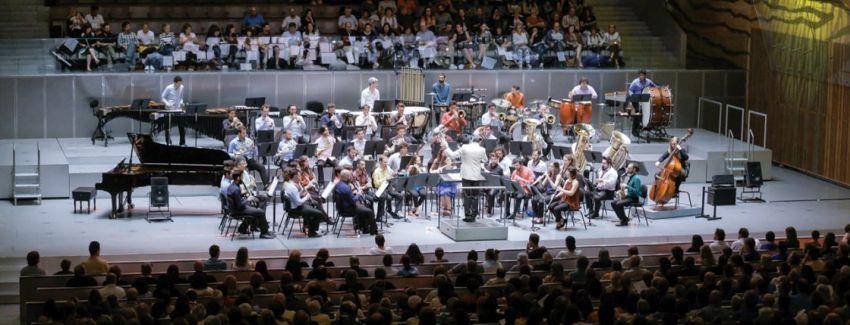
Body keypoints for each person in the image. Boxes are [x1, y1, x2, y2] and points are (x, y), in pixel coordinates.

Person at [444, 136, 488, 222]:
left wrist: (446, 147)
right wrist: (478, 161)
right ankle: (474, 215)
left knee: (467, 195)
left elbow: (452, 155)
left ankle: (468, 215)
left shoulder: (464, 147)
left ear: (472, 141)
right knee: (475, 196)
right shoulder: (482, 149)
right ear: (479, 142)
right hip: (476, 175)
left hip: (466, 175)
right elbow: (485, 160)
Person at [226, 170, 275, 238]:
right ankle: (264, 233)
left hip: (234, 209)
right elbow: (239, 205)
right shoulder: (236, 189)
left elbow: (236, 199)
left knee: (254, 209)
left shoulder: (232, 186)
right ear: (238, 178)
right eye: (242, 177)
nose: (242, 179)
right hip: (238, 210)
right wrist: (247, 199)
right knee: (260, 212)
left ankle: (242, 229)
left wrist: (243, 194)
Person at [281, 168, 324, 237]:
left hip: (294, 207)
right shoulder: (292, 187)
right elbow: (298, 202)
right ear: (295, 176)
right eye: (299, 175)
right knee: (318, 213)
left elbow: (295, 196)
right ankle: (312, 232)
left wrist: (302, 192)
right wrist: (306, 197)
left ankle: (309, 228)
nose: (300, 177)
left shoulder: (290, 184)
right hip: (295, 209)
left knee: (312, 206)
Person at [335, 170, 378, 235]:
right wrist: (358, 194)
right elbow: (353, 200)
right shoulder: (346, 187)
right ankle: (373, 231)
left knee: (364, 207)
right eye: (350, 176)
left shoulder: (339, 184)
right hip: (348, 209)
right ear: (347, 177)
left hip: (342, 208)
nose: (351, 177)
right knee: (369, 211)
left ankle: (364, 228)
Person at [627, 70, 657, 136]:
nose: (641, 76)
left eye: (643, 75)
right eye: (640, 75)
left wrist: (661, 87)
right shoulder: (635, 82)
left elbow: (655, 87)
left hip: (645, 99)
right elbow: (630, 90)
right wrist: (633, 97)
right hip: (636, 100)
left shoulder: (648, 81)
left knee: (647, 112)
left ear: (645, 75)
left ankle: (645, 126)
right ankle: (634, 130)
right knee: (637, 113)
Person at [160, 76, 187, 146]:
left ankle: (182, 142)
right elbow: (163, 97)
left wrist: (181, 102)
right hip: (170, 110)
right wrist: (167, 104)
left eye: (180, 83)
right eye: (178, 83)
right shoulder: (168, 88)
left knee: (181, 126)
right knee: (168, 128)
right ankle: (168, 142)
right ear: (175, 83)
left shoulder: (182, 87)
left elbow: (181, 97)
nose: (179, 85)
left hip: (178, 110)